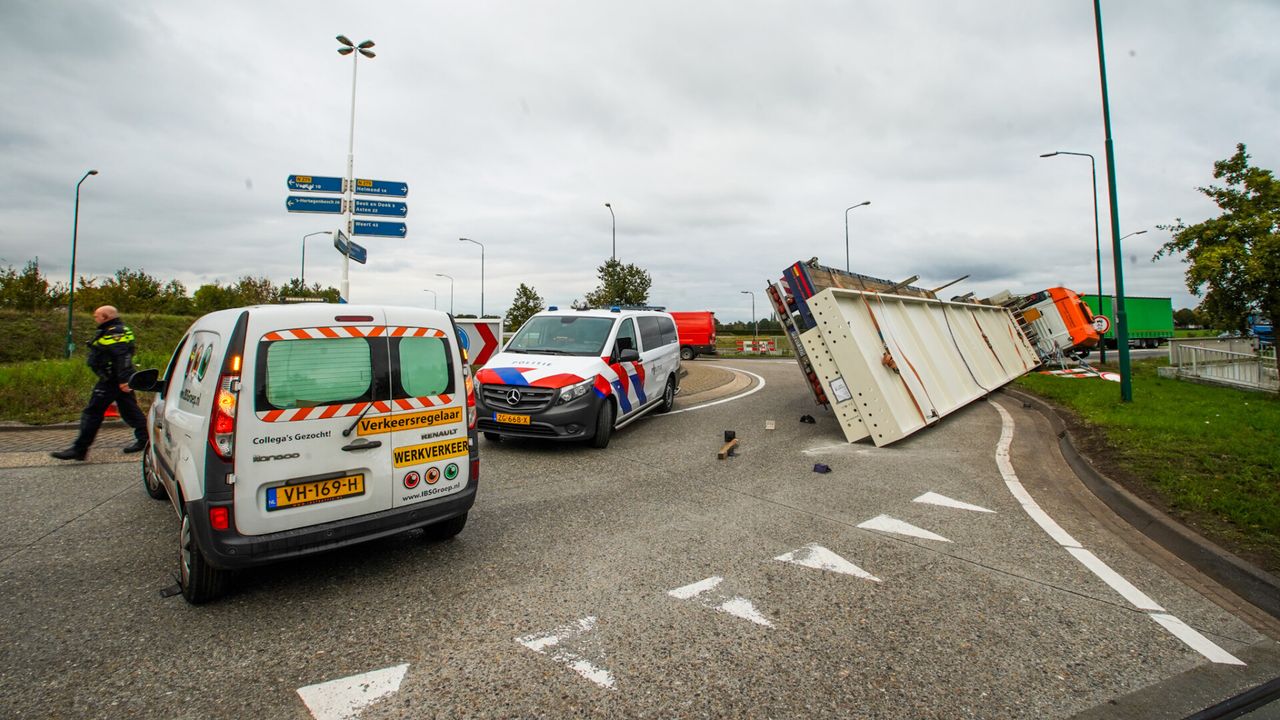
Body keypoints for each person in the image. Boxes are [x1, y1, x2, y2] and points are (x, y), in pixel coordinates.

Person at [51, 306, 149, 461]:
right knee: (129, 410)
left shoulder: (116, 332)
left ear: (106, 316)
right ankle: (146, 439)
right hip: (114, 377)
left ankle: (79, 449)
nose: (95, 318)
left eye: (97, 316)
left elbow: (122, 356)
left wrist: (123, 380)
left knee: (92, 412)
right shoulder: (113, 329)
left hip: (112, 379)